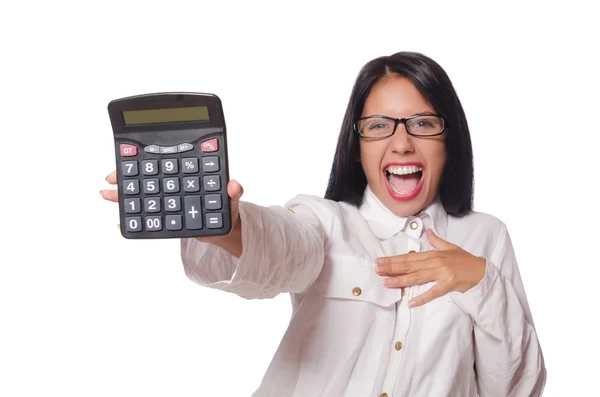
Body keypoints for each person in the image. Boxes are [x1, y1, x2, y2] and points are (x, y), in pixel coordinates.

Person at [101, 51, 546, 396]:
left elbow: (515, 388)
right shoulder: (327, 222)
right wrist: (225, 226)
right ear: (357, 147)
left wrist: (481, 283)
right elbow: (283, 246)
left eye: (423, 123)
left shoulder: (486, 237)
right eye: (379, 126)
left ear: (450, 141)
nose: (403, 142)